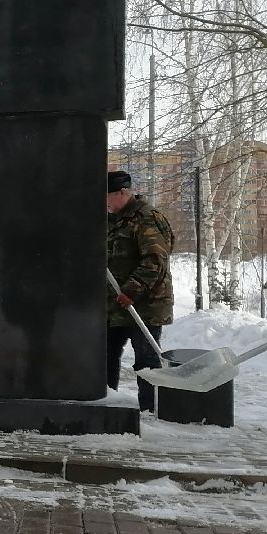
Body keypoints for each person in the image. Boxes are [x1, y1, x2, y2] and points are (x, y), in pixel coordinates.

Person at [105, 170, 175, 412]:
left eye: (108, 197)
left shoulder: (146, 218)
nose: (105, 203)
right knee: (105, 355)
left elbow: (155, 260)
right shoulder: (111, 220)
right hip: (114, 304)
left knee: (146, 360)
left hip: (144, 304)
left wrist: (132, 290)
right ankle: (106, 401)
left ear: (123, 192)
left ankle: (151, 409)